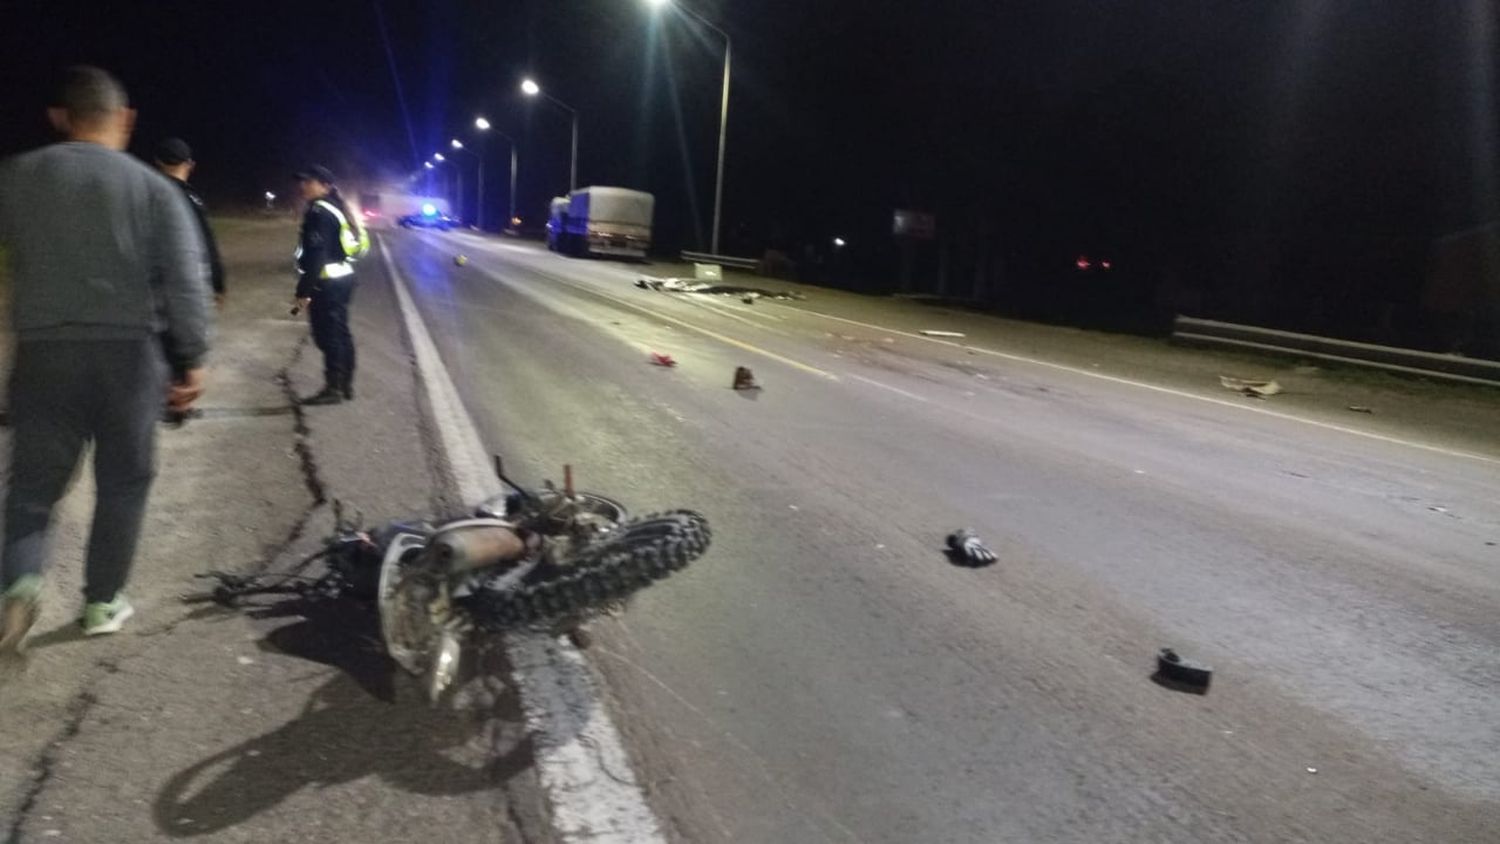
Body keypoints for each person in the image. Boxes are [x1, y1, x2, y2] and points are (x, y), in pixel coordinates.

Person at [0, 66, 212, 657]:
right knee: (123, 484)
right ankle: (101, 603)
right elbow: (185, 282)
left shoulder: (16, 177)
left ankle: (18, 583)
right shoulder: (155, 189)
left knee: (32, 489)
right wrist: (192, 358)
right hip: (130, 360)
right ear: (125, 120)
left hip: (44, 356)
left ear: (60, 118)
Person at [292, 164, 367, 405]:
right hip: (342, 278)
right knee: (340, 332)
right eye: (302, 181)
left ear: (325, 186)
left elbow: (317, 254)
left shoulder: (318, 212)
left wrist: (303, 291)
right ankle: (344, 384)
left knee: (328, 336)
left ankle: (334, 387)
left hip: (328, 284)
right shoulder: (335, 207)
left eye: (309, 181)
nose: (303, 185)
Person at [154, 137, 226, 307]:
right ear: (190, 164)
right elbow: (207, 241)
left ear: (157, 162)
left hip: (154, 289)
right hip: (188, 287)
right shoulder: (193, 199)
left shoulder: (148, 196)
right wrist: (218, 283)